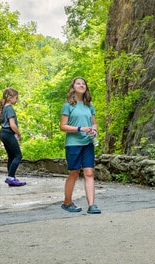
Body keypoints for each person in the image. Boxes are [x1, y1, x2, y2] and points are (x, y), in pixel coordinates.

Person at [60, 77, 100, 214]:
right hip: (73, 144)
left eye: (83, 84)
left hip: (88, 143)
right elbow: (63, 126)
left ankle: (92, 205)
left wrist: (93, 129)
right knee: (74, 173)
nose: (81, 85)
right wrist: (80, 129)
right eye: (78, 83)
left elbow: (94, 122)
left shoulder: (90, 105)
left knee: (89, 172)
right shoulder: (68, 105)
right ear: (73, 87)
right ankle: (67, 202)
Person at [0, 87, 25, 186]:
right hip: (8, 133)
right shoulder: (9, 109)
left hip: (3, 133)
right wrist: (18, 133)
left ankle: (11, 177)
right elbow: (12, 125)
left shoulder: (4, 107)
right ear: (10, 98)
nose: (16, 100)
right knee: (18, 155)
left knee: (11, 156)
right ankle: (11, 177)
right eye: (16, 98)